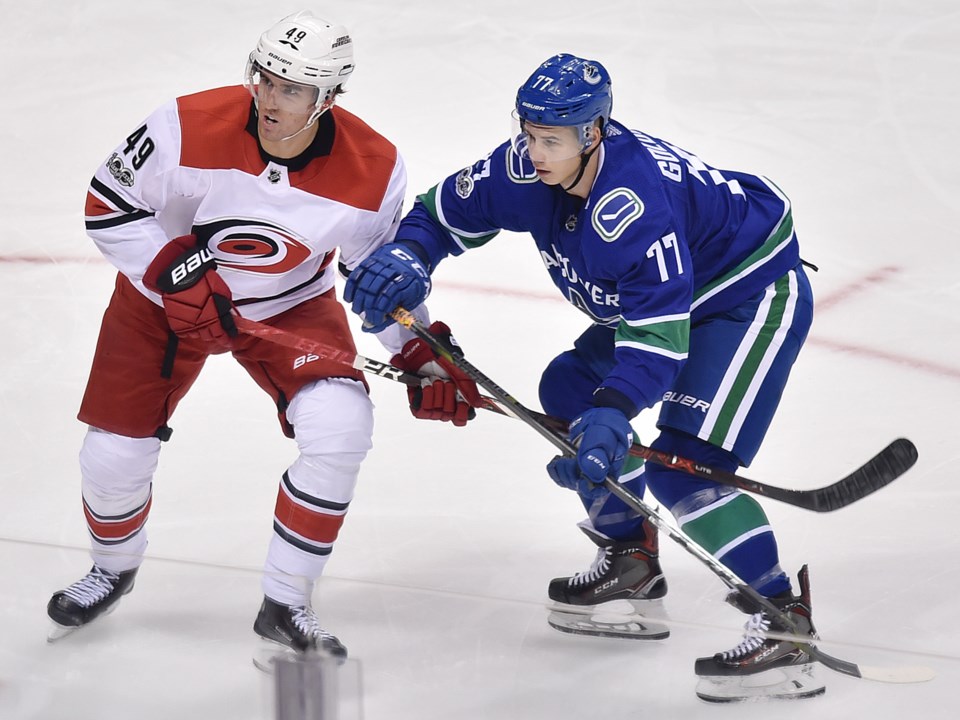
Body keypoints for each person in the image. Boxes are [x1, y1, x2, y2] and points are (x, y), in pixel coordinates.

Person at [343, 54, 824, 700]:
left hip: (741, 297)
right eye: (529, 133)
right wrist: (409, 252)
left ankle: (784, 624)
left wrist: (615, 411)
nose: (535, 151)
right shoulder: (522, 168)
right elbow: (442, 213)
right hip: (669, 297)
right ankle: (632, 560)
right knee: (568, 394)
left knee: (680, 469)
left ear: (592, 133)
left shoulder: (632, 209)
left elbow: (657, 343)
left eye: (551, 139)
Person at [46, 10, 477, 661]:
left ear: (329, 96)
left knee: (341, 425)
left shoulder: (374, 168)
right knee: (112, 458)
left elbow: (374, 283)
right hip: (160, 303)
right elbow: (107, 205)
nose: (271, 99)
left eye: (293, 88)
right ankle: (112, 567)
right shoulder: (183, 124)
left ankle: (286, 601)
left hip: (288, 308)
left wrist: (419, 351)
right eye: (266, 79)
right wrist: (175, 274)